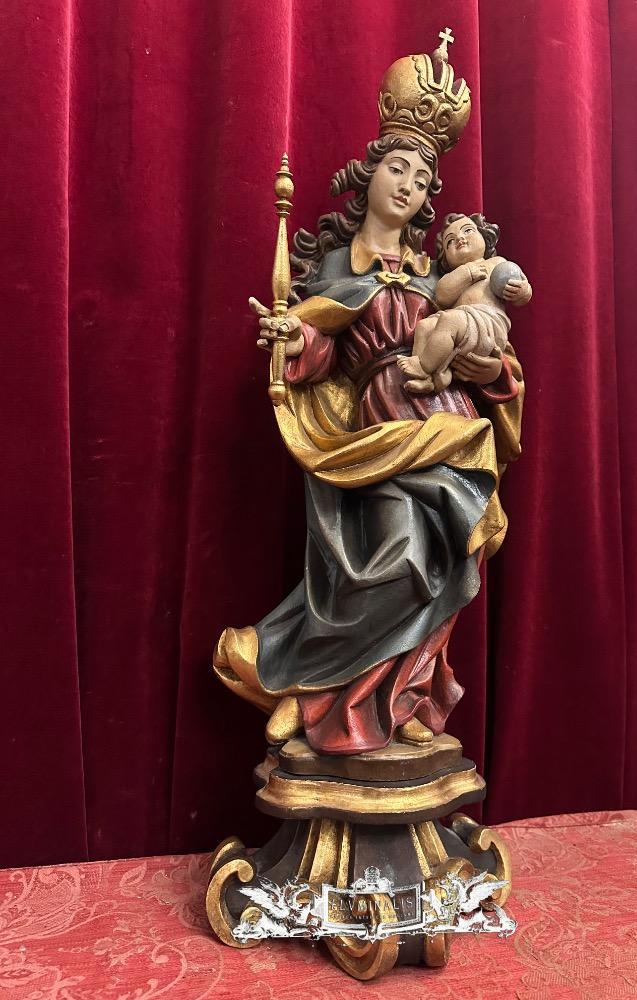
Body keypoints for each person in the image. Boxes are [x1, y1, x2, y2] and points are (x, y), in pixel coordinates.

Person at [213, 38, 526, 756]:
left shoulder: (437, 276)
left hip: (445, 421)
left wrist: (487, 362)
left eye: (423, 178)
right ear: (371, 172)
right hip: (378, 429)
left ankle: (402, 698)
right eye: (398, 168)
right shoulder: (336, 266)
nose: (409, 185)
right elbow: (325, 345)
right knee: (396, 555)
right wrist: (293, 338)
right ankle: (310, 688)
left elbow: (490, 351)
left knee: (447, 558)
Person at [397, 213, 532, 393]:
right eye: (450, 241)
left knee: (450, 320)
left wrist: (523, 291)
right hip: (463, 322)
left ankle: (423, 367)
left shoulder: (496, 263)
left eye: (467, 231)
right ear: (445, 258)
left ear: (484, 237)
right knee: (424, 327)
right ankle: (429, 379)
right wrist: (468, 273)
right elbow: (442, 295)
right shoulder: (456, 274)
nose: (460, 239)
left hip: (488, 322)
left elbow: (520, 285)